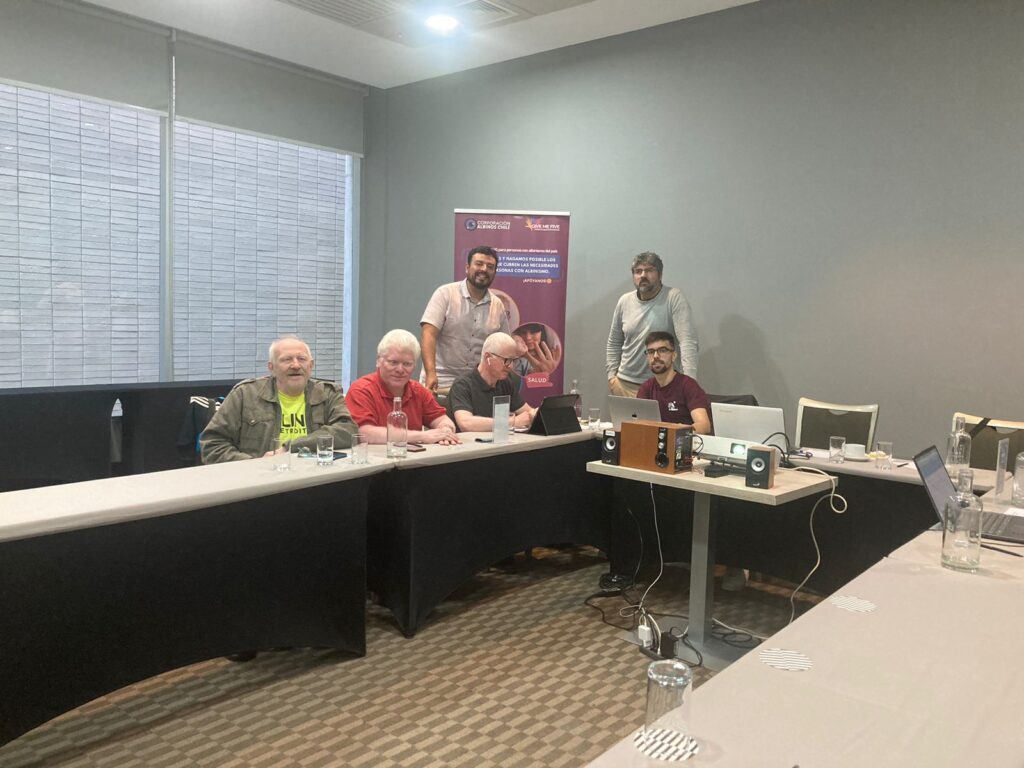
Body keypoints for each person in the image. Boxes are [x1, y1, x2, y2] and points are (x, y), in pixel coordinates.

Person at [201, 336, 356, 463]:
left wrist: (291, 447)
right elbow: (212, 445)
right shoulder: (245, 394)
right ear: (271, 367)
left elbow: (348, 431)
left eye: (301, 359)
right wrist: (256, 464)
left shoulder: (328, 393)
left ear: (311, 366)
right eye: (286, 359)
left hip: (314, 479)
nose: (295, 365)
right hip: (260, 483)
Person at [606, 251, 698, 397]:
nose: (643, 275)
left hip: (662, 386)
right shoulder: (624, 301)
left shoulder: (673, 298)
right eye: (638, 271)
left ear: (660, 274)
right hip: (624, 385)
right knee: (623, 421)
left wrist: (690, 384)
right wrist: (612, 376)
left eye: (649, 270)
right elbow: (614, 342)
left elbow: (687, 342)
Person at [346, 329, 460, 445]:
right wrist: (421, 436)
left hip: (414, 460)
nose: (400, 370)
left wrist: (446, 430)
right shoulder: (361, 390)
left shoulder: (418, 391)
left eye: (407, 364)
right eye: (393, 362)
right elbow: (365, 434)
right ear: (378, 361)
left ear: (415, 365)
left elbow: (442, 419)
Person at [420, 246, 510, 393]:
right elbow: (428, 334)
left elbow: (504, 346)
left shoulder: (498, 305)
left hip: (476, 385)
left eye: (490, 267)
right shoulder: (445, 294)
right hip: (440, 382)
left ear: (494, 272)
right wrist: (431, 373)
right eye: (479, 264)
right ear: (467, 268)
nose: (484, 269)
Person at [447, 332, 536, 432]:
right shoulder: (462, 385)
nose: (510, 366)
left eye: (513, 360)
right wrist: (512, 422)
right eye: (506, 360)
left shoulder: (505, 382)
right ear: (487, 357)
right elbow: (466, 423)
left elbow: (529, 412)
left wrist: (536, 414)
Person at [636, 332, 712, 434]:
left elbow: (704, 425)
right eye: (650, 351)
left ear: (674, 355)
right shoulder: (646, 388)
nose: (656, 356)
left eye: (662, 350)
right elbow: (637, 423)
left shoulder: (688, 385)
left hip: (683, 445)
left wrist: (680, 431)